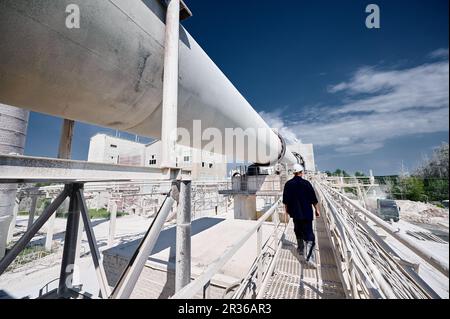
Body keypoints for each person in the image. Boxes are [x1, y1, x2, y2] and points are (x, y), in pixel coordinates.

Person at [282, 164, 320, 267]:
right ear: (301, 172)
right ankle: (310, 258)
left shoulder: (288, 184)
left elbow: (285, 201)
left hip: (295, 213)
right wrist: (317, 210)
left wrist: (287, 211)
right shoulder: (306, 183)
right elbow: (313, 199)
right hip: (307, 213)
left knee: (297, 230)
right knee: (309, 234)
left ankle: (300, 249)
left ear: (294, 172)